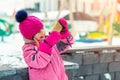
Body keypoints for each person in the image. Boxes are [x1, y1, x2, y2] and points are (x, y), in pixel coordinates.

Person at [15, 10, 74, 80]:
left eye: (42, 28)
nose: (42, 32)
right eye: (38, 31)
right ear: (30, 35)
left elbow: (63, 46)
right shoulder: (28, 49)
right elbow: (39, 62)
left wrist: (64, 34)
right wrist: (48, 44)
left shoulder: (47, 40)